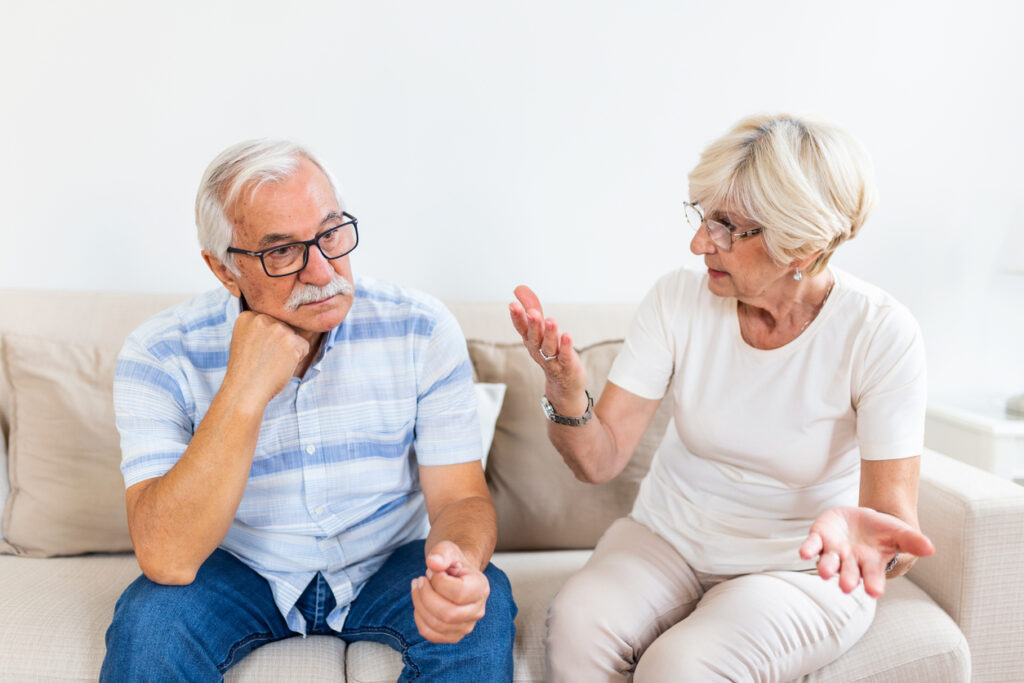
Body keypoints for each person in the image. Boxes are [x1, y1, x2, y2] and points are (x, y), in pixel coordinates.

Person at [509, 114, 935, 681]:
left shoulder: (879, 332)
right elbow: (597, 458)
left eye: (727, 227)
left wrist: (868, 541)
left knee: (679, 668)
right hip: (666, 540)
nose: (697, 242)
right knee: (578, 626)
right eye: (702, 216)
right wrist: (567, 393)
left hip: (796, 572)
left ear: (801, 246)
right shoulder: (676, 300)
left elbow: (894, 531)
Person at [101, 139, 516, 682]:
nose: (321, 272)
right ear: (224, 271)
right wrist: (244, 392)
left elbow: (461, 497)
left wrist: (457, 565)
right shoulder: (158, 353)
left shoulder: (420, 327)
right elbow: (168, 557)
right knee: (150, 620)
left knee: (483, 609)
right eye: (281, 252)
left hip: (386, 563)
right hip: (240, 569)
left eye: (331, 233)